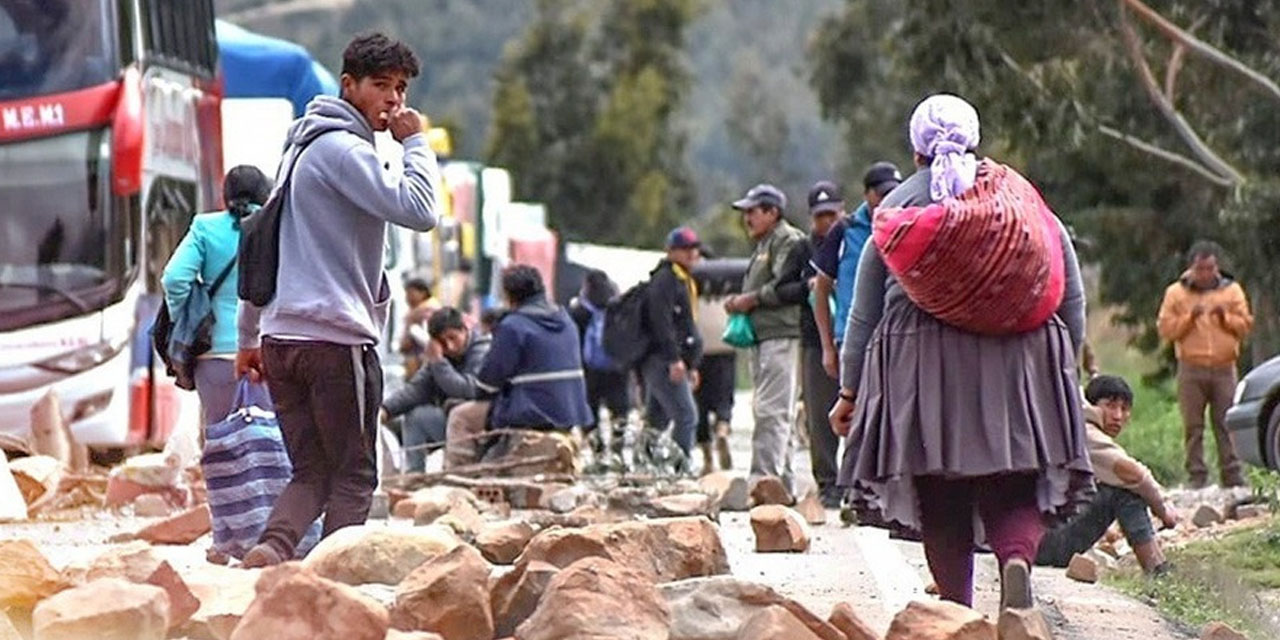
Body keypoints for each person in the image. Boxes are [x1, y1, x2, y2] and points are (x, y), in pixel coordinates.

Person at [830, 94, 1093, 613]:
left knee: (940, 490)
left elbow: (862, 313)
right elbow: (1071, 291)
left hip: (920, 363)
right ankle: (1015, 561)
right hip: (1021, 353)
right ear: (975, 140)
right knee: (1013, 476)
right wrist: (1065, 373)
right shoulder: (1019, 197)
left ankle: (954, 610)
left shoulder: (897, 206)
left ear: (915, 152)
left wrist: (849, 391)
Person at [235, 32, 440, 567]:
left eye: (400, 89)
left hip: (283, 338)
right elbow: (420, 209)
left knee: (312, 471)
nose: (394, 101)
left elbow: (264, 247)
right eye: (380, 86)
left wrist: (249, 335)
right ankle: (333, 578)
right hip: (334, 340)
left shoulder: (298, 148)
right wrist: (416, 143)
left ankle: (271, 549)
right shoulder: (343, 150)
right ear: (348, 85)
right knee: (354, 473)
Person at [445, 265, 593, 467]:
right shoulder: (566, 319)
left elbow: (488, 383)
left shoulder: (513, 326)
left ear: (509, 296)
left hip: (531, 413)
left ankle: (458, 480)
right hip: (570, 412)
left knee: (460, 416)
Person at [162, 165, 272, 426]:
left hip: (214, 352)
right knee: (272, 439)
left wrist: (189, 318)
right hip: (267, 349)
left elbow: (174, 278)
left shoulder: (205, 227)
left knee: (222, 439)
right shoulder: (275, 227)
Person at [1037, 375, 1179, 574]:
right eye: (1110, 406)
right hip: (1043, 543)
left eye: (1124, 408)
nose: (1118, 416)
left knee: (1125, 486)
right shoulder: (1084, 431)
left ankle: (1158, 567)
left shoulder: (1073, 423)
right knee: (1124, 491)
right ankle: (1156, 569)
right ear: (1092, 406)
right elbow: (1133, 474)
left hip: (1038, 537)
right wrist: (1163, 509)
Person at [724, 184, 806, 500]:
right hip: (762, 336)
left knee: (772, 411)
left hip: (780, 334)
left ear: (772, 212)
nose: (747, 218)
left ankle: (763, 481)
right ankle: (782, 485)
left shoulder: (787, 240)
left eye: (752, 211)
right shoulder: (762, 246)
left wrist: (751, 299)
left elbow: (787, 285)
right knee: (770, 410)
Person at [1157, 240, 1253, 488]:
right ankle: (1197, 477)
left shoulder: (1231, 291)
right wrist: (1190, 317)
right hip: (1191, 367)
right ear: (1191, 268)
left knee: (1226, 422)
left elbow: (1245, 326)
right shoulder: (1176, 293)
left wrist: (1225, 317)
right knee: (1193, 425)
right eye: (1201, 269)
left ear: (1216, 267)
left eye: (1210, 268)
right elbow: (1167, 330)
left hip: (1224, 367)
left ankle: (1232, 475)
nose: (1206, 274)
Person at [811, 163, 902, 379]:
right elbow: (821, 289)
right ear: (867, 194)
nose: (888, 200)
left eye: (894, 192)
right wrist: (827, 346)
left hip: (895, 336)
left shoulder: (906, 224)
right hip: (853, 339)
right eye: (882, 194)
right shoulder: (844, 230)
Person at [380, 307, 491, 473]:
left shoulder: (482, 350)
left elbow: (467, 390)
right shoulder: (440, 358)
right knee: (416, 417)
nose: (450, 346)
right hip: (451, 423)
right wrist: (386, 410)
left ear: (464, 330)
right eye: (443, 342)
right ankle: (414, 476)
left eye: (453, 338)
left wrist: (439, 362)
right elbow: (416, 390)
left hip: (481, 426)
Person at [794, 181, 847, 508]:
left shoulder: (854, 238)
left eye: (832, 214)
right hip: (815, 339)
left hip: (854, 336)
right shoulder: (804, 248)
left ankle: (859, 482)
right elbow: (788, 286)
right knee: (820, 414)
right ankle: (828, 482)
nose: (826, 222)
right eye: (820, 216)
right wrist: (810, 285)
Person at [636, 227, 704, 471]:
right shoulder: (665, 280)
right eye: (685, 249)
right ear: (671, 251)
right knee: (687, 416)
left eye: (694, 249)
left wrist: (692, 363)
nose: (692, 254)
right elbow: (661, 322)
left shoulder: (682, 280)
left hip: (676, 360)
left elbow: (687, 325)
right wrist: (674, 359)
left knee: (656, 420)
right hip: (663, 360)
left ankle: (644, 466)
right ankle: (681, 469)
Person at [567, 269, 631, 464]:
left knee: (590, 410)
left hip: (588, 369)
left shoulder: (579, 311)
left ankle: (597, 452)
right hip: (617, 368)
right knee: (620, 410)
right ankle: (618, 451)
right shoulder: (619, 309)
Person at [398, 277, 441, 379]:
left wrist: (413, 330)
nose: (407, 298)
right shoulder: (415, 312)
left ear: (423, 293)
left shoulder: (428, 311)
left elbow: (428, 339)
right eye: (407, 294)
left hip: (424, 363)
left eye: (411, 294)